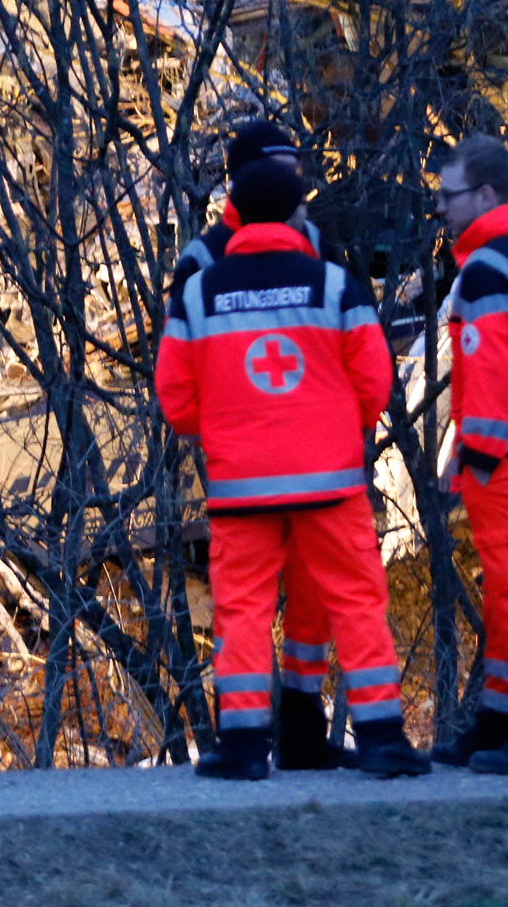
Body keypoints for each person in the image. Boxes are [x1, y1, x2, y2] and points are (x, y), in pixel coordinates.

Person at [157, 158, 428, 779]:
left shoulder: (198, 292)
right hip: (329, 484)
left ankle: (246, 747)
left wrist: (228, 430)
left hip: (240, 489)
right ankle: (384, 737)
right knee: (357, 603)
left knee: (241, 614)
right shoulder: (332, 284)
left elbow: (176, 399)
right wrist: (330, 431)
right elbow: (374, 381)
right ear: (294, 213)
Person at [169, 119, 350, 770]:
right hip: (243, 462)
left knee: (315, 600)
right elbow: (179, 366)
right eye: (282, 168)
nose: (297, 182)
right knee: (243, 605)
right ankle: (243, 734)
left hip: (318, 461)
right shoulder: (204, 258)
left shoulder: (317, 246)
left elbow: (350, 340)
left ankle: (304, 728)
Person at [432, 134, 508, 773]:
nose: (439, 208)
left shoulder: (489, 269)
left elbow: (489, 369)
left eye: (450, 196)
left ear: (487, 194)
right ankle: (500, 719)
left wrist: (474, 456)